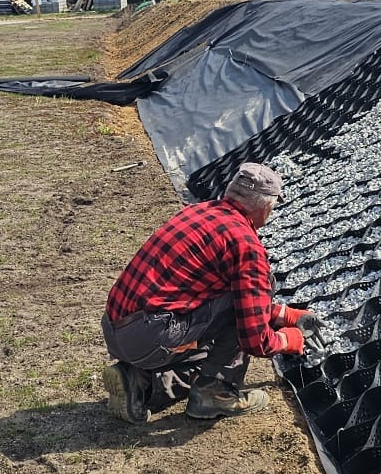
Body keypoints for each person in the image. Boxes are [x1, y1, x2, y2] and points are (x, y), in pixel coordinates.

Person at [101, 163, 309, 422]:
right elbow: (255, 339)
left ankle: (139, 382)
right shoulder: (246, 245)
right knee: (257, 290)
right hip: (152, 335)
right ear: (266, 206)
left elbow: (203, 293)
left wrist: (283, 314)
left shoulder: (198, 212)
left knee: (208, 354)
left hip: (118, 329)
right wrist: (288, 340)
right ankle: (215, 393)